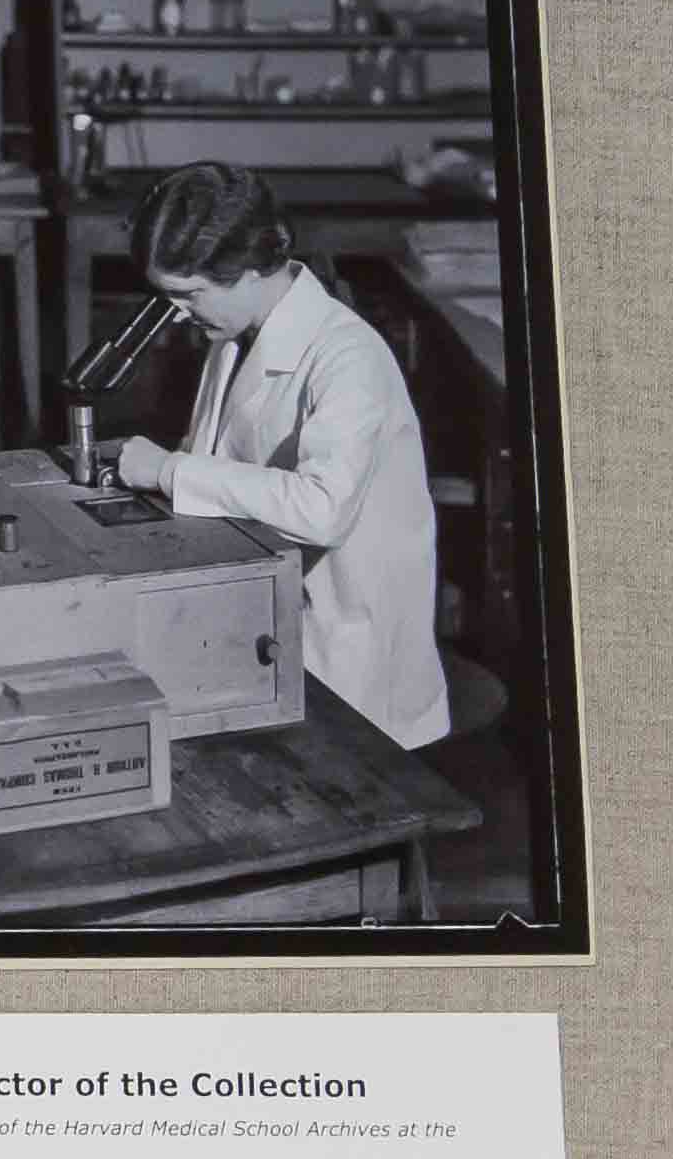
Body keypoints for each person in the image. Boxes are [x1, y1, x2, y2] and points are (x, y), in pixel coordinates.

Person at [105, 160, 451, 748]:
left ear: (245, 270)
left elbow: (322, 510)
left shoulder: (348, 357)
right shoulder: (234, 334)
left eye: (187, 295)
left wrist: (169, 469)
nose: (179, 314)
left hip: (346, 641)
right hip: (269, 610)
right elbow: (219, 454)